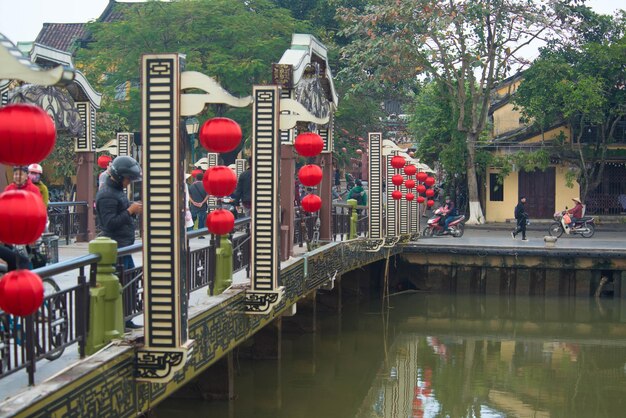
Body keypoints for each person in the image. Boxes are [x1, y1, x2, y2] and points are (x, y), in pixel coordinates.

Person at [95, 156, 143, 329]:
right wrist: (130, 211)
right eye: (128, 178)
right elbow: (109, 223)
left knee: (129, 284)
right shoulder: (107, 194)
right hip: (116, 246)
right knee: (121, 284)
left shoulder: (115, 191)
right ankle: (118, 322)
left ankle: (126, 319)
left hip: (124, 246)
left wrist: (131, 208)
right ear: (119, 175)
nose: (129, 182)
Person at [188, 171, 208, 236]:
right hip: (202, 206)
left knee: (192, 219)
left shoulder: (191, 186)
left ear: (196, 178)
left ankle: (190, 233)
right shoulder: (205, 185)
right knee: (201, 220)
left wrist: (193, 202)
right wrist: (202, 202)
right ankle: (200, 235)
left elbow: (189, 196)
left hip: (194, 206)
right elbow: (207, 195)